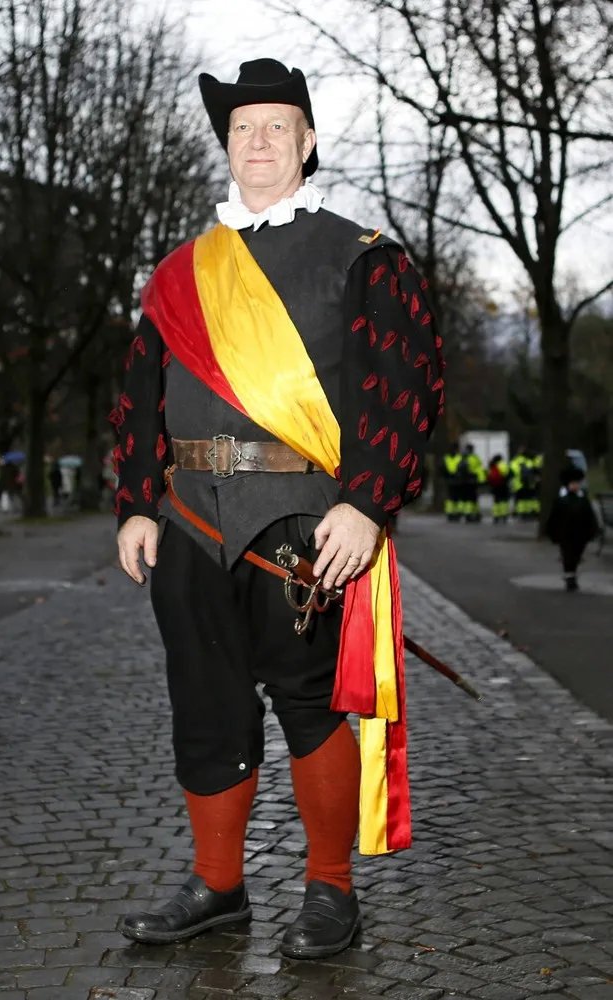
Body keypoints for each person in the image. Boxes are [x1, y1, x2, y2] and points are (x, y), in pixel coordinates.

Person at [111, 58, 444, 959]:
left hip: (305, 518)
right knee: (205, 706)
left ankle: (330, 891)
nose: (257, 143)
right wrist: (135, 501)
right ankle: (218, 885)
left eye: (275, 127)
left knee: (308, 703)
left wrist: (368, 504)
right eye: (241, 129)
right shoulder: (178, 274)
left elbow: (402, 386)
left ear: (304, 141)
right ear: (226, 145)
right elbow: (140, 392)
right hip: (185, 520)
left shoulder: (362, 252)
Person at [544, 465, 599, 591]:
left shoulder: (582, 499)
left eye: (577, 483)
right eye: (573, 483)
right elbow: (554, 516)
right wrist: (552, 531)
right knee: (568, 554)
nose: (575, 486)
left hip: (581, 532)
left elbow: (589, 515)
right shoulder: (561, 500)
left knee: (577, 553)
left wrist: (592, 529)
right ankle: (570, 576)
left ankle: (572, 573)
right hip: (566, 532)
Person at [442, 442, 463, 521]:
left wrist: (447, 477)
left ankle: (450, 513)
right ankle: (457, 513)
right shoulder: (459, 457)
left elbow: (442, 469)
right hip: (458, 481)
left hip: (449, 481)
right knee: (457, 498)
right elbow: (463, 468)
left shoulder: (446, 458)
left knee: (450, 497)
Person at [487, 453, 510, 524]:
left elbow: (489, 476)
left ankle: (496, 516)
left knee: (496, 501)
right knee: (503, 501)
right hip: (503, 485)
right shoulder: (503, 465)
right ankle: (504, 515)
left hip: (495, 486)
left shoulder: (492, 466)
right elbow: (508, 474)